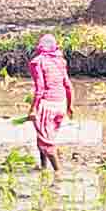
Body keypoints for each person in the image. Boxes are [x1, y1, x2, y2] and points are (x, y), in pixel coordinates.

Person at [28, 34, 75, 171]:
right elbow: (68, 84)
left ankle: (58, 172)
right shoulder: (60, 61)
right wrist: (69, 105)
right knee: (43, 137)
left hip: (47, 105)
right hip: (60, 105)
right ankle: (43, 167)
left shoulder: (38, 62)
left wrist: (33, 109)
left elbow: (40, 88)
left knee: (46, 143)